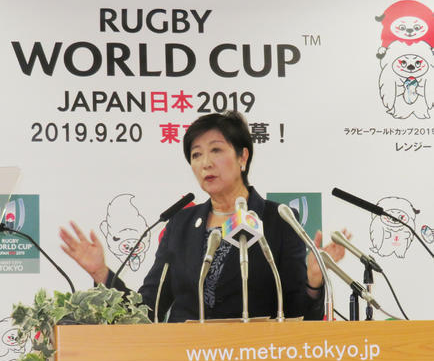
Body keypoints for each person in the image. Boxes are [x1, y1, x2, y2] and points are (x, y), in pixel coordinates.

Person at [60, 111, 349, 322]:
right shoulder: (181, 225)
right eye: (196, 155)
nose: (205, 163)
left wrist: (313, 281)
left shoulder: (278, 220)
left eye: (216, 150)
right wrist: (102, 273)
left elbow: (297, 315)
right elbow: (148, 309)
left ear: (243, 157)